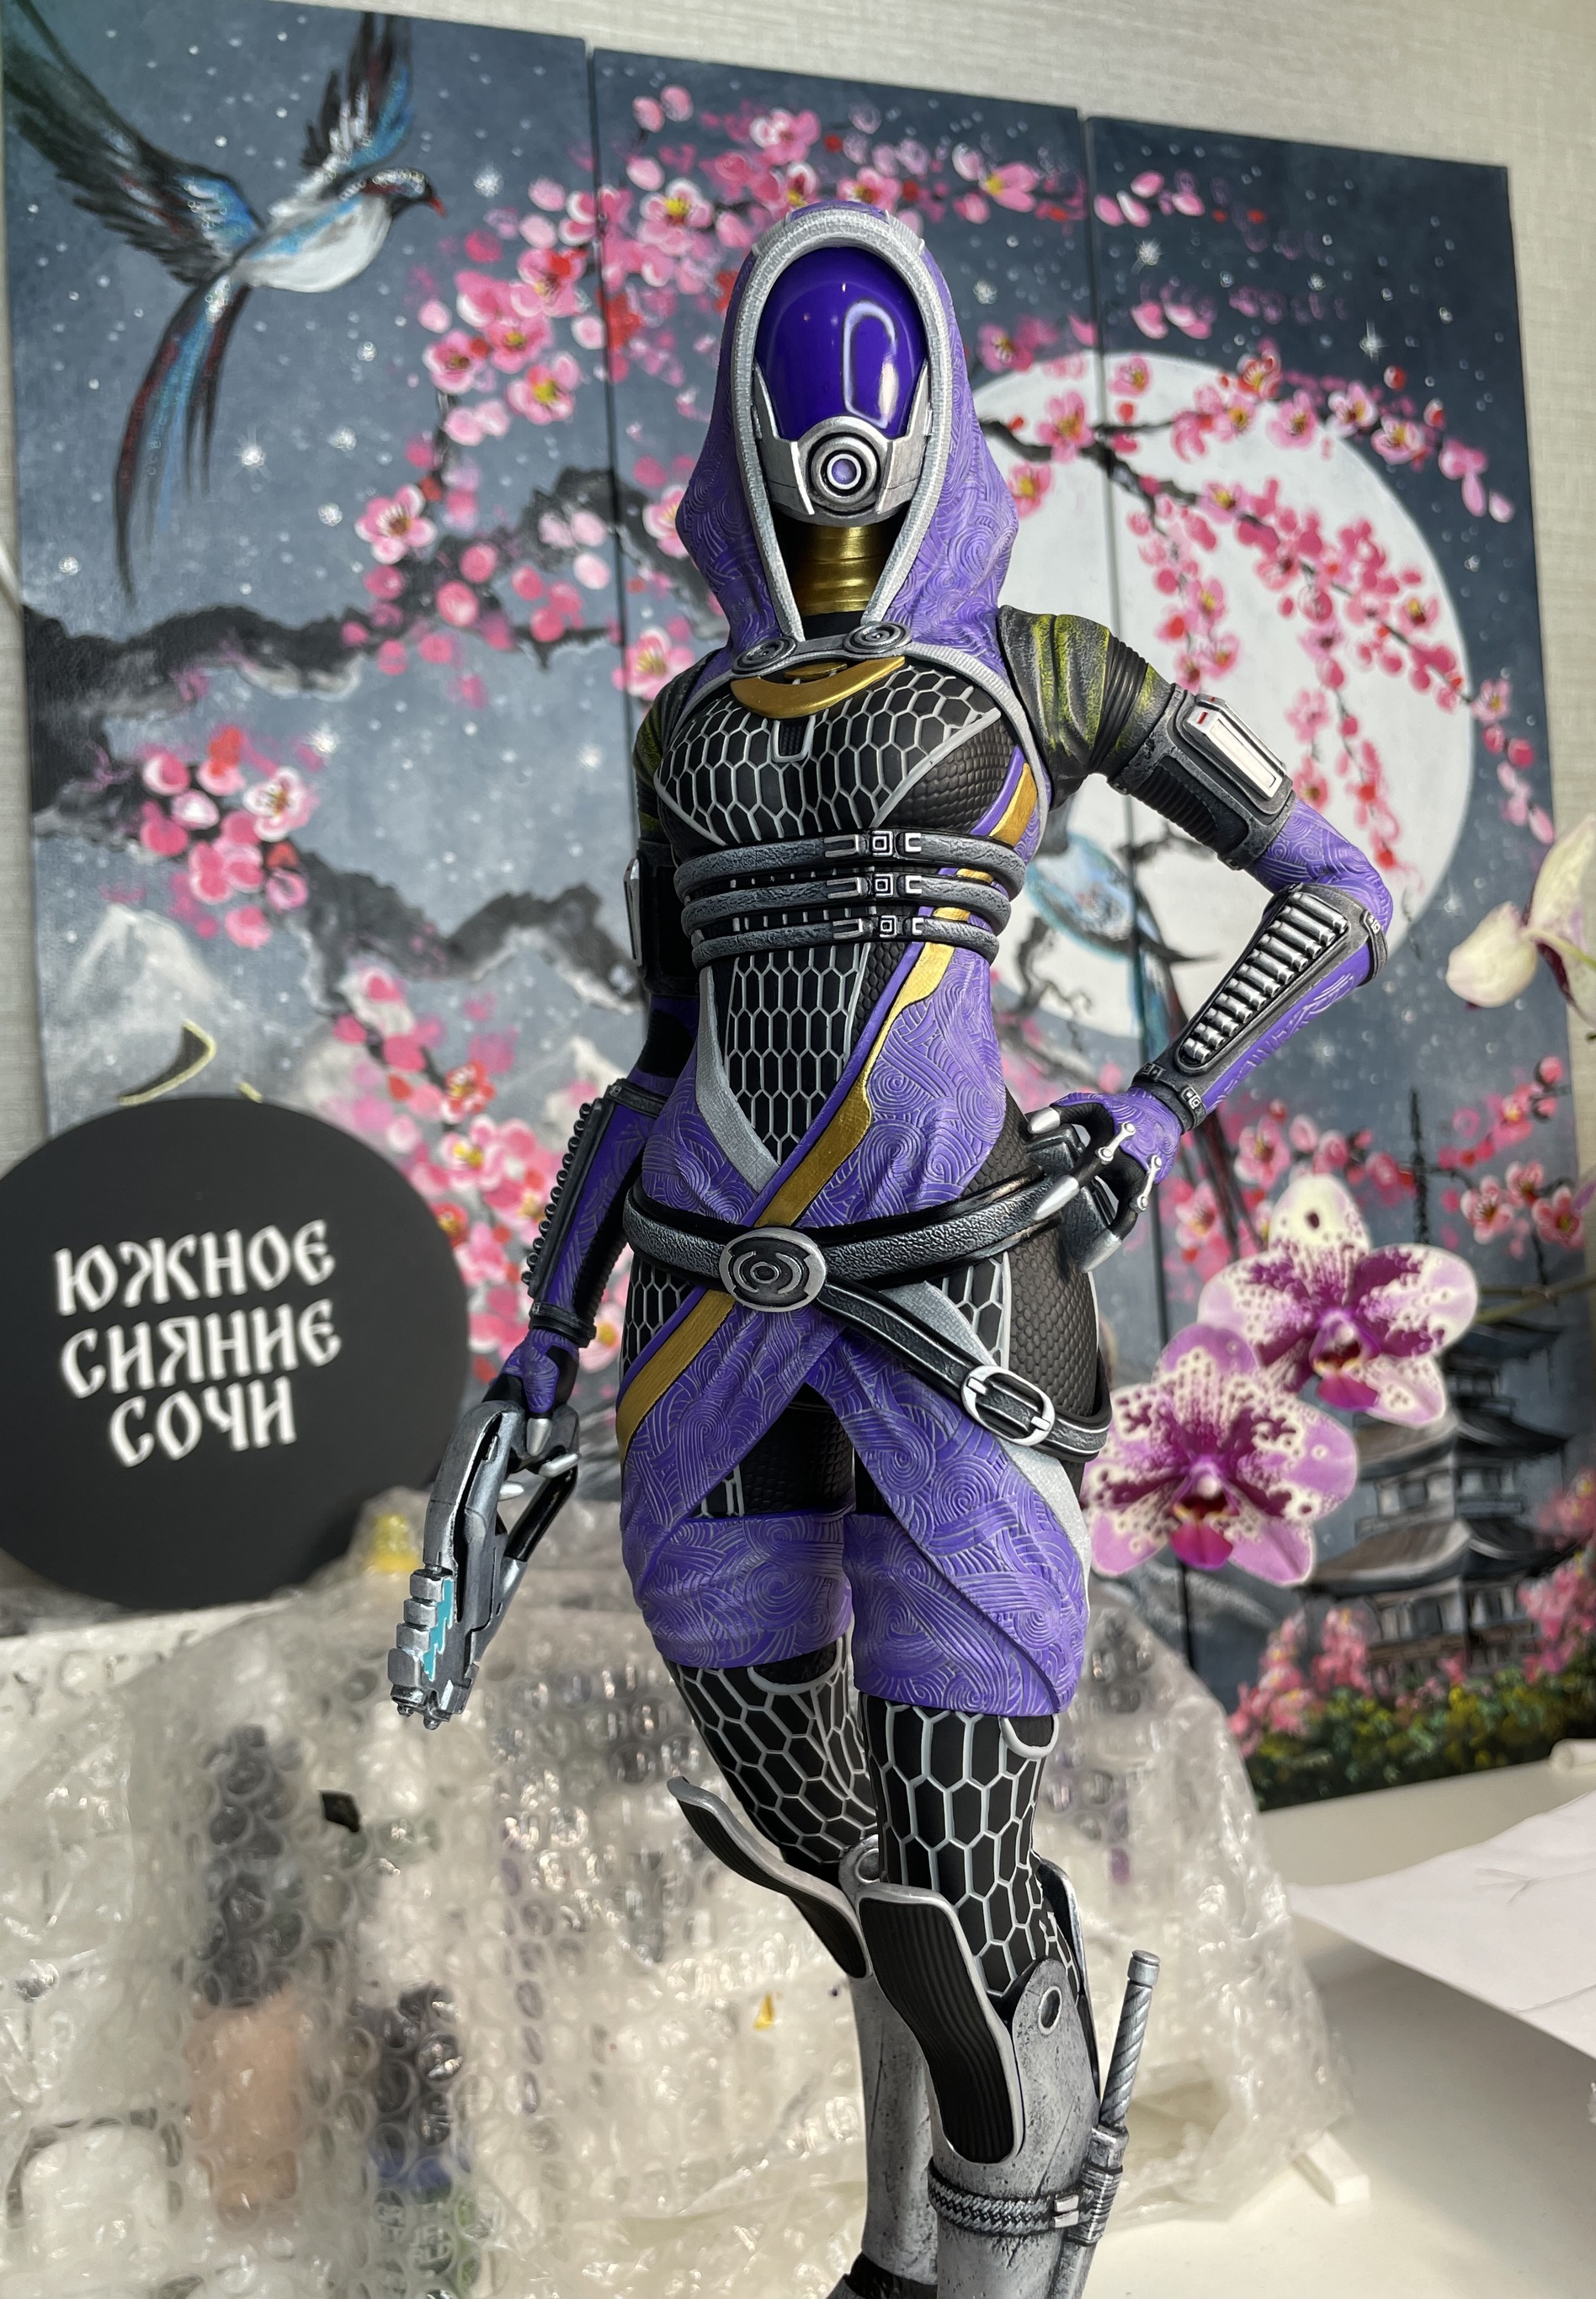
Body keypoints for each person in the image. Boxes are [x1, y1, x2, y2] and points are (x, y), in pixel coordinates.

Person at [395, 200, 1391, 2299]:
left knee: (943, 1851)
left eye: (866, 413)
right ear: (740, 437)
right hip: (702, 1326)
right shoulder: (684, 725)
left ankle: (1001, 2243)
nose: (834, 463)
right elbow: (657, 1059)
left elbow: (1333, 891)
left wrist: (1148, 1113)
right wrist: (540, 1341)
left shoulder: (1049, 671)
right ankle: (907, 2227)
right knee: (832, 1845)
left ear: (928, 422)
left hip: (964, 1308)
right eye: (796, 417)